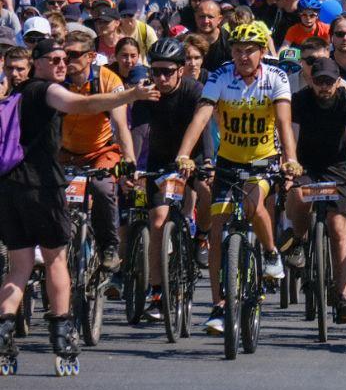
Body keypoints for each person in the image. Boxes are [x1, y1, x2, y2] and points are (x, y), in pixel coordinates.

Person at [0, 38, 159, 371]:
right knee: (57, 261)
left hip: (9, 188)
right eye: (54, 58)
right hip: (41, 187)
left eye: (65, 58)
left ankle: (3, 336)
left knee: (19, 267)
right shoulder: (44, 91)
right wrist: (130, 95)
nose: (61, 63)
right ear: (36, 63)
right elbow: (81, 105)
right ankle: (62, 337)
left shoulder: (13, 94)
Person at [173, 21, 301, 335]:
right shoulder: (220, 76)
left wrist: (291, 159)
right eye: (238, 50)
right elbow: (201, 115)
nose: (243, 56)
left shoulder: (276, 78)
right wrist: (184, 153)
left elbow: (284, 123)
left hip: (263, 160)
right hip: (228, 161)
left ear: (261, 52)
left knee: (256, 206)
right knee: (217, 231)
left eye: (250, 51)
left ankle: (271, 253)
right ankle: (218, 306)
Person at [130, 38, 210, 322]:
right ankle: (156, 292)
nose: (160, 78)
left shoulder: (194, 90)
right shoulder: (147, 94)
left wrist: (207, 163)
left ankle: (202, 236)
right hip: (160, 162)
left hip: (195, 157)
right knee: (158, 222)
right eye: (155, 71)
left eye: (167, 71)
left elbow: (204, 127)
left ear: (180, 70)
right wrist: (134, 167)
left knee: (206, 188)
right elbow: (139, 132)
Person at [282, 54, 346, 323]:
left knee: (338, 227)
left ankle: (341, 296)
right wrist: (290, 166)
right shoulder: (301, 100)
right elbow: (291, 136)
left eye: (329, 81)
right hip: (306, 165)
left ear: (338, 81)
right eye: (319, 81)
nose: (324, 87)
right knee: (296, 196)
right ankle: (298, 238)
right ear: (311, 80)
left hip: (338, 167)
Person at [57, 30, 136, 278]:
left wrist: (129, 162)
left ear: (91, 56)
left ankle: (108, 247)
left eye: (73, 55)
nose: (66, 60)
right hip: (64, 151)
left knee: (102, 188)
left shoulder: (108, 81)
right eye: (63, 54)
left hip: (100, 151)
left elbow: (121, 126)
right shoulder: (57, 81)